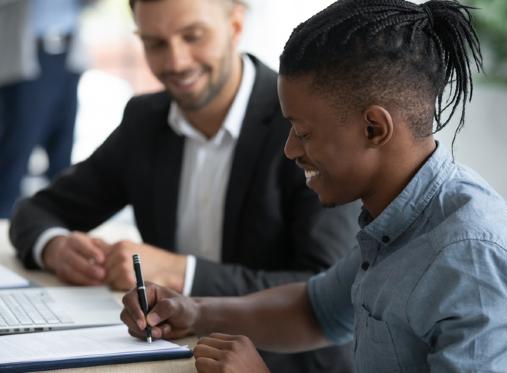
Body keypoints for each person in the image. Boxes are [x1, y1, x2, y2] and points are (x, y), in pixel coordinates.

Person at [120, 0, 507, 372]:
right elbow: (316, 312)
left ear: (374, 128)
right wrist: (195, 312)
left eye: (303, 132)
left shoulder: (470, 262)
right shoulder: (397, 214)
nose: (290, 149)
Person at [9, 0, 359, 371]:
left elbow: (327, 287)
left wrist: (183, 274)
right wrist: (55, 247)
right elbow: (36, 211)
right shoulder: (146, 120)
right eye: (155, 43)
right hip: (172, 357)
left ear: (236, 24)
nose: (175, 62)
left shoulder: (302, 123)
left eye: (192, 36)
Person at [0, 0, 94, 218]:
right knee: (17, 150)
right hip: (27, 57)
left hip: (67, 55)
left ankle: (59, 224)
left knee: (62, 151)